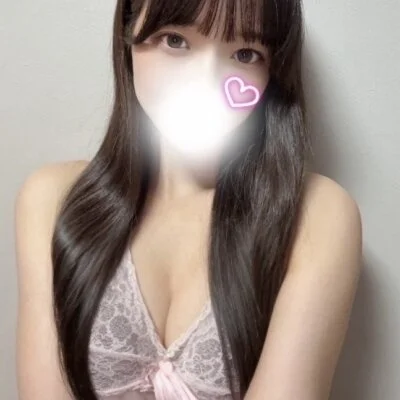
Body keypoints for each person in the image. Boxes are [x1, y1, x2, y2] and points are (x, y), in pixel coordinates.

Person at [15, 0, 363, 399]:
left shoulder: (315, 217)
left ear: (273, 71)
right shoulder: (52, 200)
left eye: (245, 54)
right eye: (175, 40)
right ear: (128, 37)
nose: (206, 81)